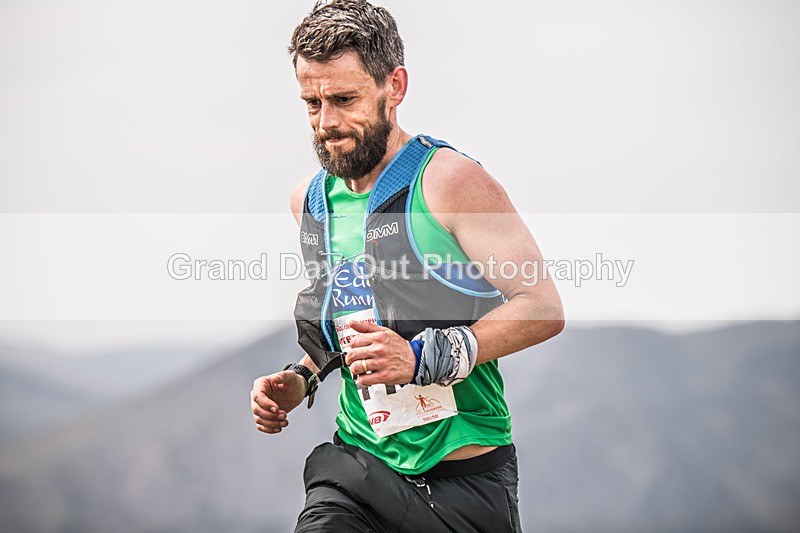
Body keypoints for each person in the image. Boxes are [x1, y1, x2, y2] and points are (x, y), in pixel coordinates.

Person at [250, 1, 564, 531]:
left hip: (463, 480)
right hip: (358, 468)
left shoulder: (450, 182)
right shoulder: (311, 200)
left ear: (394, 86)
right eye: (312, 103)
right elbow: (354, 315)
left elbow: (543, 308)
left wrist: (421, 356)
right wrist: (301, 376)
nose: (326, 123)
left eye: (344, 99)